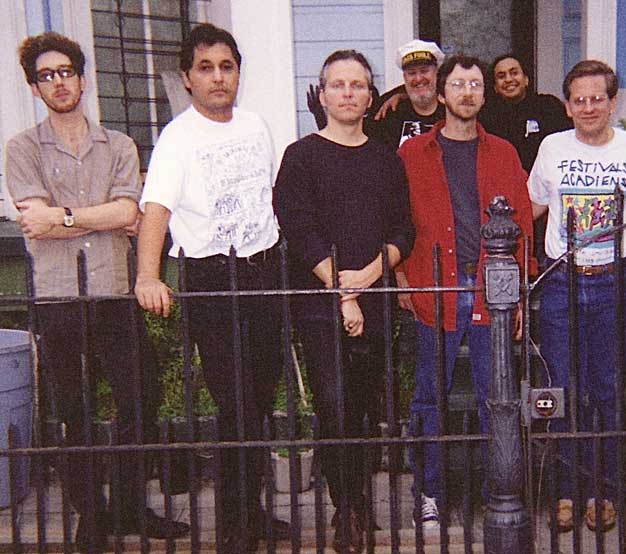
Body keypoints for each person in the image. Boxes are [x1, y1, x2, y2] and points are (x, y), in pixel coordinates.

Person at [5, 32, 189, 553]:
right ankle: (93, 513)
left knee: (141, 397)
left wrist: (63, 215)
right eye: (46, 75)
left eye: (66, 71)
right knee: (73, 408)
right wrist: (98, 218)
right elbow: (32, 221)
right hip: (60, 296)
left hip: (113, 291)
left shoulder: (121, 146)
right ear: (35, 88)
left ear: (83, 79)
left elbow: (128, 212)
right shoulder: (21, 148)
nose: (59, 82)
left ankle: (132, 505)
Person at [134, 23, 289, 553]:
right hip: (210, 277)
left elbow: (267, 194)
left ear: (238, 73)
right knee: (234, 403)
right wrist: (148, 275)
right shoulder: (177, 138)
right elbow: (155, 211)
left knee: (261, 399)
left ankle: (254, 511)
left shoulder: (255, 125)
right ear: (188, 78)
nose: (218, 77)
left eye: (226, 66)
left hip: (264, 270)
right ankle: (234, 528)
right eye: (206, 68)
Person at [273, 49, 415, 554]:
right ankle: (346, 509)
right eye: (338, 84)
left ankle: (359, 503)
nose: (348, 93)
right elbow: (299, 226)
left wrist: (368, 278)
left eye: (358, 85)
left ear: (370, 96)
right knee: (333, 409)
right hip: (318, 302)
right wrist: (341, 290)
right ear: (322, 93)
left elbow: (404, 230)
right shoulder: (301, 156)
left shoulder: (385, 159)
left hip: (373, 298)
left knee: (363, 412)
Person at [396, 54, 534, 529]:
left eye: (475, 84)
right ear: (441, 94)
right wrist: (400, 279)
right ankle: (429, 491)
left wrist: (518, 288)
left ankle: (495, 489)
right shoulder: (413, 153)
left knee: (494, 397)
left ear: (484, 94)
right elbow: (397, 221)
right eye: (458, 84)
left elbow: (520, 224)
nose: (468, 92)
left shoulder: (504, 152)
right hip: (435, 285)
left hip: (491, 288)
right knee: (429, 396)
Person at [528, 59, 626, 534]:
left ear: (612, 101)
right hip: (562, 280)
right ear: (567, 105)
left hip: (614, 281)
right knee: (561, 389)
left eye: (597, 98)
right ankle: (566, 489)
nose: (588, 107)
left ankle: (602, 489)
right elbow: (533, 208)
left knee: (606, 388)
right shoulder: (552, 147)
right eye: (578, 100)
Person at [483, 53, 571, 172]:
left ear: (526, 80)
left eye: (514, 73)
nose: (508, 79)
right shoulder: (488, 117)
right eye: (501, 76)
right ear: (495, 87)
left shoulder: (548, 107)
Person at [367, 39, 445, 149]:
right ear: (404, 77)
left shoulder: (451, 111)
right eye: (411, 73)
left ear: (436, 73)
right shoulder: (388, 114)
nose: (418, 79)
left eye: (424, 71)